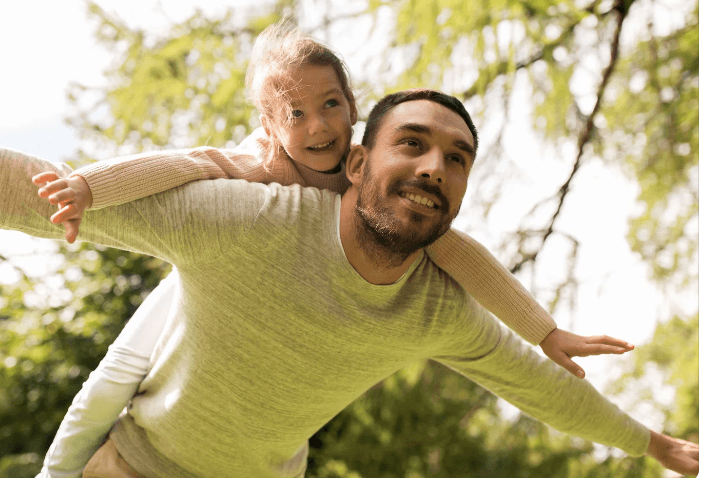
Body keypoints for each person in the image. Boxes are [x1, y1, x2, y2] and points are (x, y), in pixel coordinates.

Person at [0, 90, 697, 477]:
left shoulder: (437, 311)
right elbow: (24, 190)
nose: (432, 167)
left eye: (456, 158)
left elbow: (541, 386)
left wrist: (653, 444)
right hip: (139, 463)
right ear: (354, 163)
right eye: (411, 142)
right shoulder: (245, 218)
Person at [31, 25, 632, 475]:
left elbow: (462, 254)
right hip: (208, 280)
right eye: (297, 114)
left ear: (352, 109)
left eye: (332, 106)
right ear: (270, 126)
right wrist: (87, 186)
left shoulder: (367, 178)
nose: (318, 126)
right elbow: (177, 165)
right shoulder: (257, 165)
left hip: (268, 388)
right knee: (114, 376)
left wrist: (544, 331)